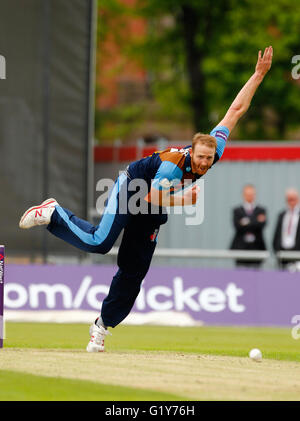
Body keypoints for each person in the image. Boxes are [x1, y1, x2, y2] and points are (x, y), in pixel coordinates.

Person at [19, 46, 273, 352]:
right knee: (100, 242)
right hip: (134, 189)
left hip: (154, 203)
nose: (205, 163)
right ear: (192, 152)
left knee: (134, 270)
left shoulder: (214, 149)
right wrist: (186, 200)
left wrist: (258, 75)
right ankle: (54, 212)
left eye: (209, 158)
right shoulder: (173, 165)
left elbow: (235, 111)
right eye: (201, 157)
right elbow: (153, 196)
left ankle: (101, 327)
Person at [230, 184, 267, 268]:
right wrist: (255, 220)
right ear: (243, 195)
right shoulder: (237, 210)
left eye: (251, 194)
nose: (249, 196)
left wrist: (245, 222)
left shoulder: (261, 210)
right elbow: (237, 226)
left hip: (257, 248)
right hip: (241, 248)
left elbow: (261, 225)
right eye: (247, 194)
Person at [272, 188, 300, 268]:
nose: (291, 202)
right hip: (283, 253)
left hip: (297, 253)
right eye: (289, 200)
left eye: (293, 199)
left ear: (297, 200)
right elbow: (277, 234)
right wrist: (277, 249)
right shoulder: (282, 215)